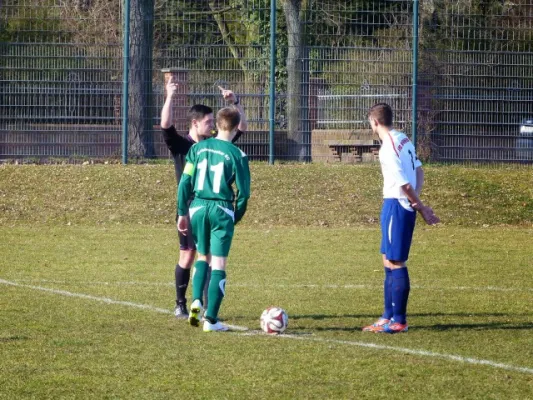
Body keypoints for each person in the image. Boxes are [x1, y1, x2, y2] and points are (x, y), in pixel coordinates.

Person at [161, 77, 247, 319]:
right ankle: (181, 302)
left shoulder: (215, 145)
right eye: (208, 122)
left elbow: (238, 128)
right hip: (190, 207)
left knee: (207, 256)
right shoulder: (182, 145)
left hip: (208, 207)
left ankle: (206, 305)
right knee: (190, 256)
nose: (212, 126)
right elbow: (165, 125)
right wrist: (169, 95)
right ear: (195, 123)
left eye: (213, 122)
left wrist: (235, 103)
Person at [362, 103, 440, 334]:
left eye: (370, 123)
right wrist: (417, 199)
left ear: (375, 122)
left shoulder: (388, 148)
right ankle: (387, 316)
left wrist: (419, 206)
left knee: (396, 262)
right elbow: (418, 170)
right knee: (387, 259)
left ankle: (400, 320)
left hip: (397, 204)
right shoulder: (403, 138)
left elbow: (404, 184)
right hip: (394, 204)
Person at [176, 107, 251, 332]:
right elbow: (244, 193)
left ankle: (196, 301)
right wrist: (234, 216)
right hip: (221, 209)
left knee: (202, 257)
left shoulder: (196, 149)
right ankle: (211, 320)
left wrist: (182, 212)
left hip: (197, 208)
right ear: (237, 127)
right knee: (218, 263)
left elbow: (185, 182)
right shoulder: (238, 155)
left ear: (216, 125)